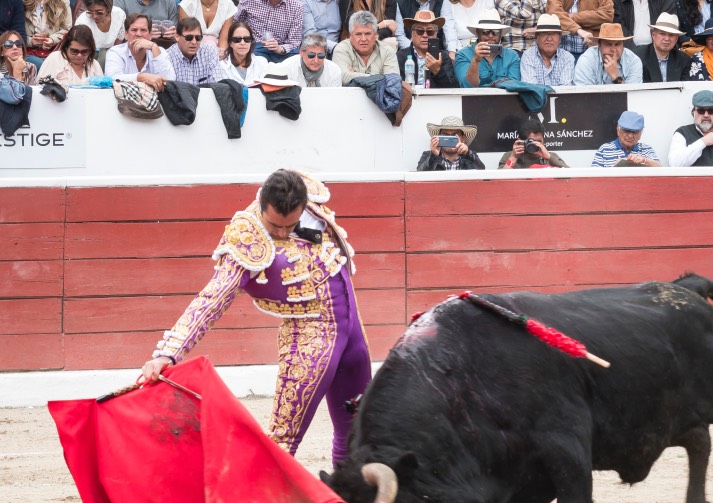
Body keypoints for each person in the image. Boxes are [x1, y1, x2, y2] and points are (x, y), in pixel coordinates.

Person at [140, 169, 372, 468]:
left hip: (352, 332)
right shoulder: (246, 238)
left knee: (357, 426)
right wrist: (168, 353)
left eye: (290, 226)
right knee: (283, 441)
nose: (282, 234)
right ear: (261, 204)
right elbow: (212, 299)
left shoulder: (310, 201)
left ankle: (350, 493)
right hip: (309, 338)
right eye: (274, 225)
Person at [105, 12, 175, 90]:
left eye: (143, 30)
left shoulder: (159, 51)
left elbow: (170, 81)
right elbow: (112, 78)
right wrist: (141, 77)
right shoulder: (115, 52)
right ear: (126, 35)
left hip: (156, 97)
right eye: (134, 30)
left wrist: (154, 47)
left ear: (150, 35)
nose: (138, 34)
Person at [453, 9, 521, 87]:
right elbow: (467, 86)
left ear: (501, 33)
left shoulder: (512, 56)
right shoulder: (463, 55)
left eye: (495, 32)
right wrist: (475, 60)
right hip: (474, 96)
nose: (490, 35)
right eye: (485, 31)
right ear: (478, 32)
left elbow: (514, 86)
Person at [332, 10, 400, 85]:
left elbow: (393, 81)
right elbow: (343, 77)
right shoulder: (341, 49)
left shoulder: (387, 51)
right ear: (350, 36)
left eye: (368, 34)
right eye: (358, 34)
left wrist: (354, 76)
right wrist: (381, 78)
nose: (363, 39)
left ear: (376, 35)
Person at [396, 9, 457, 87]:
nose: (425, 35)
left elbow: (453, 88)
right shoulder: (401, 56)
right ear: (412, 33)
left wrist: (438, 71)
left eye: (430, 32)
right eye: (420, 31)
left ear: (436, 34)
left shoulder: (444, 56)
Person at [234, 0, 304, 63]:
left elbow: (294, 42)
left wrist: (280, 48)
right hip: (256, 46)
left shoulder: (296, 6)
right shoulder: (248, 1)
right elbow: (234, 23)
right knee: (258, 59)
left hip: (282, 49)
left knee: (299, 59)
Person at [573, 21, 642, 83]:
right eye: (608, 44)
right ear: (599, 45)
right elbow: (585, 92)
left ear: (623, 45)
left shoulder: (633, 61)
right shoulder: (587, 60)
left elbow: (632, 92)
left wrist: (616, 77)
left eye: (618, 44)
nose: (613, 49)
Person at [547, 0, 614, 63]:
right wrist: (578, 30)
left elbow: (608, 15)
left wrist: (573, 17)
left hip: (591, 53)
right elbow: (553, 14)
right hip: (561, 52)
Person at [35, 23, 102, 83]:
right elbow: (40, 87)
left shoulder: (94, 65)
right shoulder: (54, 59)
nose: (79, 55)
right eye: (74, 51)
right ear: (66, 47)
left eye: (84, 51)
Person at [591, 110, 661, 167]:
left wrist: (644, 160)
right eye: (627, 130)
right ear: (618, 130)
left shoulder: (646, 149)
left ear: (640, 134)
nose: (630, 136)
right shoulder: (604, 149)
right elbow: (594, 176)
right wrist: (615, 168)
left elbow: (660, 169)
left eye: (635, 132)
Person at [520, 13, 575, 84]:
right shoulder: (528, 56)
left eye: (554, 34)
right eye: (544, 34)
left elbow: (565, 88)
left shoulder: (567, 58)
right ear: (536, 37)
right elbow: (531, 87)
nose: (549, 39)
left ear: (560, 38)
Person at [167, 15, 224, 84]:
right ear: (177, 36)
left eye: (198, 38)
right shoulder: (167, 57)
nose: (194, 42)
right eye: (189, 37)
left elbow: (218, 84)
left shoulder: (209, 52)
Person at [417, 115, 485, 170]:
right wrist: (434, 156)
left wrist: (467, 155)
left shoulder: (470, 156)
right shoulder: (427, 155)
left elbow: (481, 173)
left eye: (455, 135)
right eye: (445, 135)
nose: (449, 138)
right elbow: (420, 175)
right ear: (439, 136)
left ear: (463, 138)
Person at [635, 11, 689, 80]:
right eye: (662, 34)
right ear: (653, 35)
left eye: (671, 35)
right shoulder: (638, 57)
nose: (666, 39)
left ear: (676, 39)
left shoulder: (683, 60)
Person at [499, 117, 569, 168]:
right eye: (531, 141)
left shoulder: (551, 156)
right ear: (520, 141)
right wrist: (513, 157)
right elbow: (499, 179)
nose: (536, 144)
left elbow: (569, 175)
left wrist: (548, 157)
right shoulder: (509, 156)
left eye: (539, 141)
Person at [75, 0, 125, 68]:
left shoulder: (119, 14)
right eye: (90, 12)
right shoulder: (82, 22)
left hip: (112, 51)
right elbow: (80, 48)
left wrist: (114, 56)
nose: (94, 16)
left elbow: (119, 39)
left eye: (99, 12)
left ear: (108, 8)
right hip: (89, 54)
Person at [24, 0, 72, 70]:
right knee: (40, 64)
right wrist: (31, 41)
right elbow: (15, 33)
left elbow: (67, 29)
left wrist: (52, 40)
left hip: (55, 50)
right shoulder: (22, 3)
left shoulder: (63, 2)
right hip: (28, 50)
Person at [114, 0, 178, 46]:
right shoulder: (121, 2)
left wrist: (173, 35)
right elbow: (117, 35)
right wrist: (145, 33)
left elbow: (177, 32)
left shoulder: (169, 2)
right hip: (131, 50)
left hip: (164, 49)